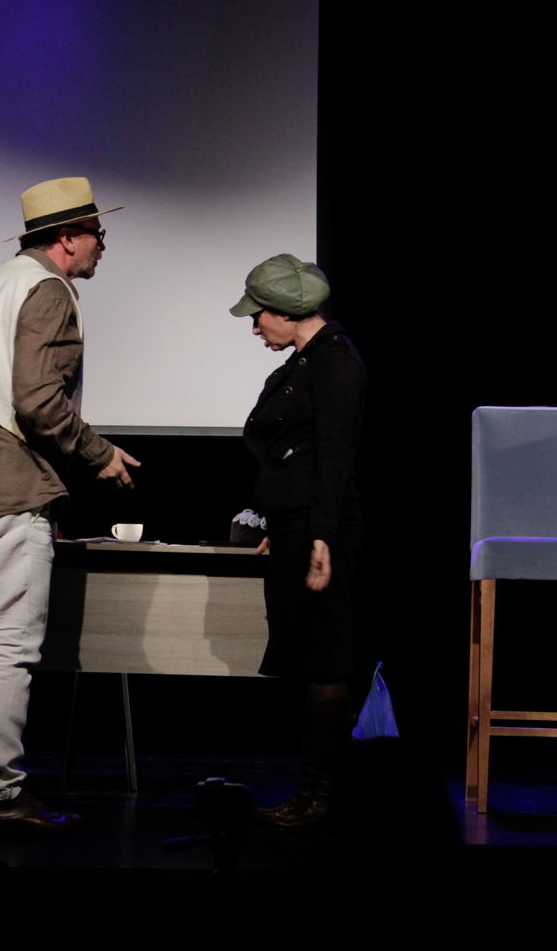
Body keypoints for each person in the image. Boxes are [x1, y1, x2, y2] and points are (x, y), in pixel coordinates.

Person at [0, 177, 139, 831]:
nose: (102, 246)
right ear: (67, 238)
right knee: (9, 647)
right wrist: (97, 453)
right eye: (97, 233)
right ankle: (0, 792)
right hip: (9, 490)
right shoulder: (47, 290)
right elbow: (38, 399)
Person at [230, 253, 367, 828]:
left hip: (321, 528)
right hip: (298, 525)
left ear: (286, 311)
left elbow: (332, 456)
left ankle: (321, 796)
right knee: (310, 658)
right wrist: (278, 524)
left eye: (258, 315)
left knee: (324, 660)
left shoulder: (335, 361)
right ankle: (312, 793)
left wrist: (320, 538)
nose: (254, 326)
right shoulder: (305, 361)